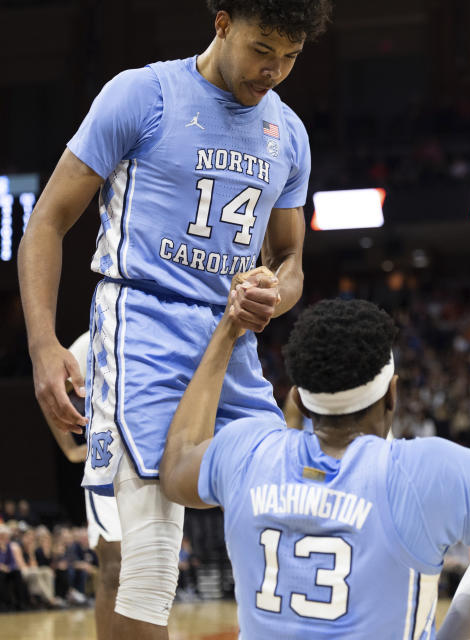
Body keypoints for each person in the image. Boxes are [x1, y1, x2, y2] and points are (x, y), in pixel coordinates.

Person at [17, 2, 332, 637]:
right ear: (221, 24)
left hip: (232, 337)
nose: (274, 70)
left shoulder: (289, 133)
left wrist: (278, 290)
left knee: (286, 508)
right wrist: (44, 344)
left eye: (291, 57)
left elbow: (292, 259)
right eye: (262, 49)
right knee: (148, 560)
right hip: (142, 323)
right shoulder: (144, 94)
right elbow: (46, 222)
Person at [158, 298, 470, 638]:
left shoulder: (247, 449)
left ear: (296, 399)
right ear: (392, 394)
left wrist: (229, 330)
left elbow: (177, 459)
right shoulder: (427, 468)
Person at [40, 332, 122, 637]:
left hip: (152, 459)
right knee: (114, 567)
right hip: (106, 461)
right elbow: (53, 387)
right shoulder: (95, 336)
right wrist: (69, 449)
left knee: (151, 570)